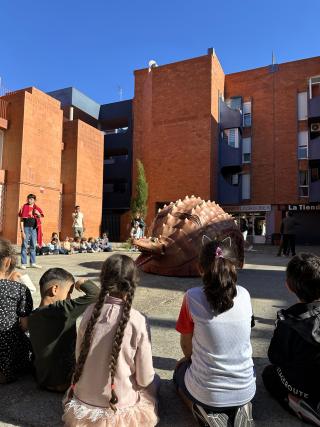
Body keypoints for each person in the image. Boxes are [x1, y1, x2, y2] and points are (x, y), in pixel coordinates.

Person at [63, 254, 159, 427]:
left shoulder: (90, 312)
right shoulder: (137, 320)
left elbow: (79, 358)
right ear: (133, 282)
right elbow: (145, 379)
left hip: (83, 402)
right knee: (154, 383)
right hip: (119, 405)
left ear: (103, 279)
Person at [173, 237, 255, 426]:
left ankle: (202, 411)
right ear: (235, 266)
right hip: (246, 390)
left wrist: (189, 360)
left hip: (208, 395)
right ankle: (241, 408)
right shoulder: (244, 294)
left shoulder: (192, 297)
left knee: (178, 375)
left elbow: (186, 344)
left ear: (200, 268)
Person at [262, 253, 320, 425]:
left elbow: (275, 357)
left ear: (288, 286)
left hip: (305, 386)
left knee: (269, 374)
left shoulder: (288, 320)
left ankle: (301, 404)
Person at [28, 268, 99, 392]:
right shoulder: (62, 310)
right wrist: (82, 283)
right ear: (55, 289)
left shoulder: (33, 315)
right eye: (69, 292)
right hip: (65, 380)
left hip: (43, 380)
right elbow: (96, 295)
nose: (70, 297)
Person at [0, 238, 33, 383]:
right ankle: (5, 371)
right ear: (7, 262)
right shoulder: (18, 289)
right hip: (6, 349)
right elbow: (25, 326)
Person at [18, 193, 44, 269]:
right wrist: (22, 231)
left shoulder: (37, 208)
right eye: (29, 199)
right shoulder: (24, 207)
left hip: (34, 229)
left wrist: (38, 214)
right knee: (24, 245)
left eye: (31, 199)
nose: (29, 200)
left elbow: (40, 218)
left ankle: (33, 263)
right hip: (26, 228)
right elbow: (21, 220)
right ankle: (23, 263)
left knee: (33, 245)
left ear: (34, 200)